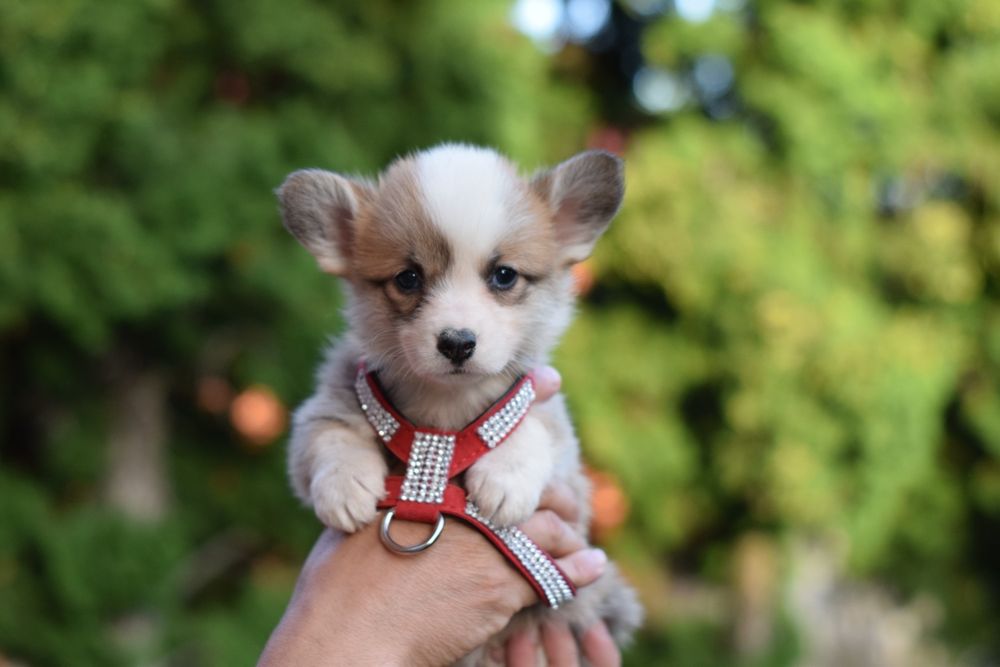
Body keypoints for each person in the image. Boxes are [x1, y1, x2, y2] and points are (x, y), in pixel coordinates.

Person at [258, 367, 622, 666]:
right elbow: (320, 427)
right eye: (410, 277)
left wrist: (530, 442)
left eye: (503, 275)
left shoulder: (529, 392)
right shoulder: (355, 381)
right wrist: (338, 452)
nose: (457, 327)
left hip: (540, 632)